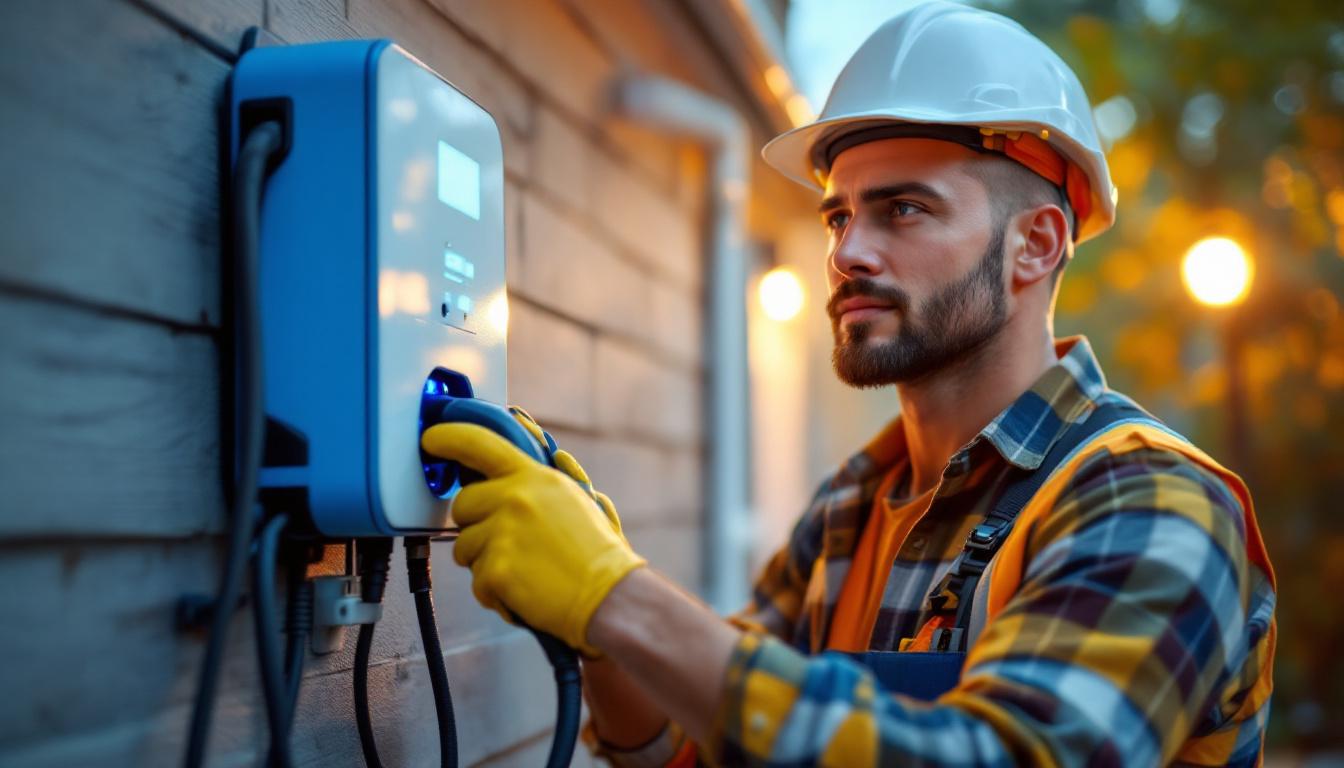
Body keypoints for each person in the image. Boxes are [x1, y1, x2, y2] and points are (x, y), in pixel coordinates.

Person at [422, 3, 1277, 765]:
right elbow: (695, 744)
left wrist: (618, 598)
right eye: (839, 214)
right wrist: (601, 629)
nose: (846, 252)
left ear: (1037, 244)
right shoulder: (855, 507)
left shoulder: (1153, 503)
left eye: (904, 209)